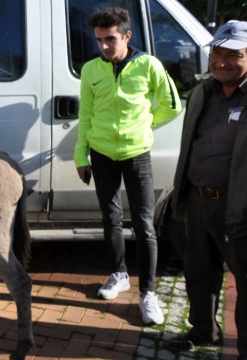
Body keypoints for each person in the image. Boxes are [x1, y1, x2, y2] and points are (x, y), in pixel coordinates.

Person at [73, 7, 181, 325]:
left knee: (145, 226)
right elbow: (86, 117)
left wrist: (145, 124)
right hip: (102, 155)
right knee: (110, 218)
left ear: (126, 36)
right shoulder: (91, 69)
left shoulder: (149, 65)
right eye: (99, 40)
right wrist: (82, 156)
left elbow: (172, 105)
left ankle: (148, 294)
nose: (104, 46)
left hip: (137, 155)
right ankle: (118, 275)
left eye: (111, 39)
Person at [163, 20, 247, 359]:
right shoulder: (203, 91)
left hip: (238, 207)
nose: (222, 61)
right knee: (198, 271)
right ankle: (203, 331)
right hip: (199, 200)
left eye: (233, 55)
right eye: (217, 53)